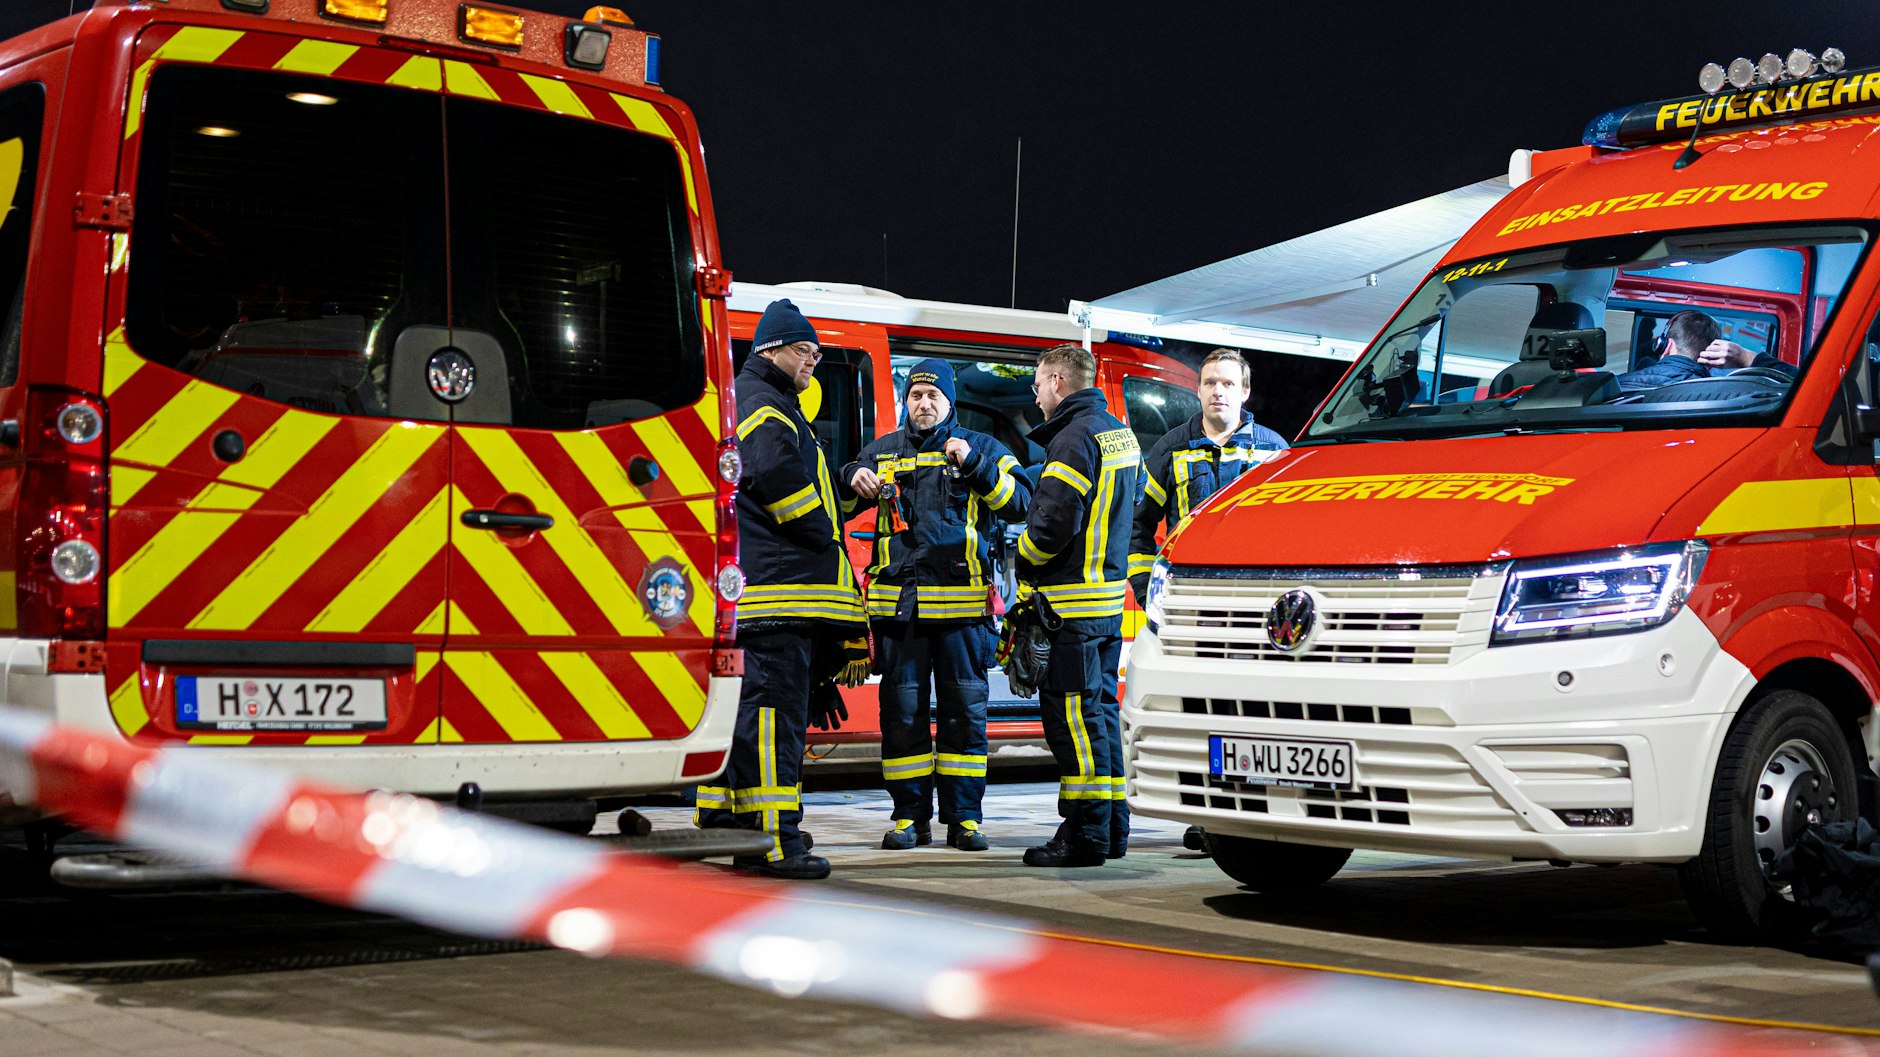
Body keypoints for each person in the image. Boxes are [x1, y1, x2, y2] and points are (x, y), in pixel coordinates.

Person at [695, 298, 866, 880]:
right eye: (804, 351)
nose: (813, 361)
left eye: (817, 353)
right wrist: (822, 530)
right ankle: (772, 841)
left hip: (769, 592)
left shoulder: (768, 400)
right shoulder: (765, 403)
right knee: (773, 718)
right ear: (771, 350)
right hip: (779, 594)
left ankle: (729, 818)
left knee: (753, 715)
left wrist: (846, 494)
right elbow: (773, 474)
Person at [841, 359, 1031, 852]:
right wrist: (851, 475)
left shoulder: (982, 448)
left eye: (933, 397)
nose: (923, 404)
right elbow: (839, 502)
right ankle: (909, 818)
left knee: (963, 716)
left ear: (950, 402)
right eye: (916, 396)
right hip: (899, 611)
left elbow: (1020, 504)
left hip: (964, 613)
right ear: (906, 401)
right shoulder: (882, 453)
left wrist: (974, 465)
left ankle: (964, 819)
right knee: (901, 717)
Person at [1127, 348, 1287, 856]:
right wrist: (1147, 591)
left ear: (1245, 392)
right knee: (1199, 713)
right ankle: (1206, 817)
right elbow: (1136, 528)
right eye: (1209, 382)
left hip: (1260, 614)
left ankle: (1259, 811)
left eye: (1227, 383)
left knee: (1259, 714)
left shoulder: (1275, 451)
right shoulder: (1172, 448)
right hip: (1195, 611)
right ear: (1197, 390)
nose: (1218, 391)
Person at [1015, 343, 1140, 867]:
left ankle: (1084, 834)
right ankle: (1111, 828)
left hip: (1070, 607)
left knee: (1073, 721)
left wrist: (1023, 556)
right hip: (1105, 604)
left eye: (1039, 382)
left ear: (1059, 382)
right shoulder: (1118, 432)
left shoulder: (1071, 438)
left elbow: (1052, 524)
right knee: (1102, 718)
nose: (1036, 392)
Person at [1615, 309, 1795, 392]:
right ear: (1711, 361)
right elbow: (1804, 388)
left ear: (1664, 345)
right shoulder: (1729, 397)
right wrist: (1747, 358)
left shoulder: (1613, 387)